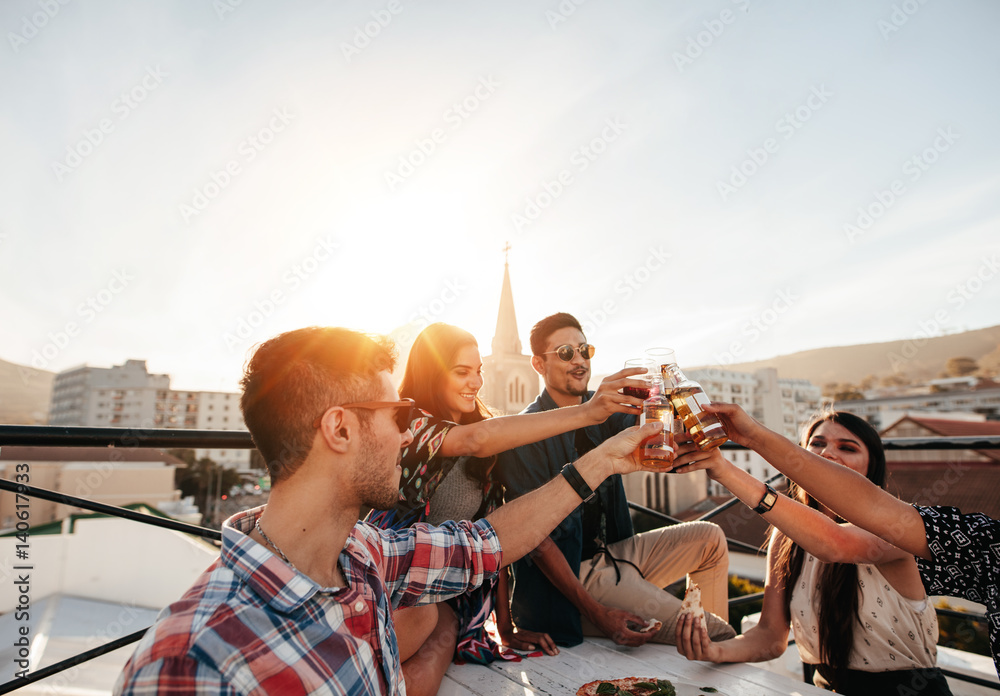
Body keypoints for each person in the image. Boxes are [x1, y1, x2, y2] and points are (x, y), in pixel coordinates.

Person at [114, 326, 664, 696]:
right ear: (341, 428)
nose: (409, 436)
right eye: (400, 416)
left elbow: (488, 542)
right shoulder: (186, 662)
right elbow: (475, 455)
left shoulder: (368, 558)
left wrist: (604, 460)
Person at [366, 323, 646, 693]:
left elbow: (495, 536)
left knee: (436, 649)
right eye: (462, 372)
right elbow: (478, 440)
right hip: (389, 576)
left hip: (448, 593)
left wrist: (507, 626)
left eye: (478, 370)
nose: (475, 382)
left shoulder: (486, 432)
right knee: (392, 645)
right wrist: (588, 413)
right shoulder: (410, 424)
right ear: (433, 374)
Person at [687, 401, 1000, 681]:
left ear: (870, 468)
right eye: (817, 443)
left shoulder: (895, 535)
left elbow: (833, 542)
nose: (827, 453)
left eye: (847, 447)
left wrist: (725, 468)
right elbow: (770, 636)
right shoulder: (785, 537)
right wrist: (716, 652)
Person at [496, 312, 736, 649]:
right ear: (538, 364)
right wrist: (597, 613)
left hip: (618, 555)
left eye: (584, 350)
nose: (579, 360)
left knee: (710, 539)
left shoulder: (604, 409)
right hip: (576, 575)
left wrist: (679, 404)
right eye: (566, 353)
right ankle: (707, 648)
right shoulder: (525, 432)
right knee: (715, 633)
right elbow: (535, 541)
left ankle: (696, 655)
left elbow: (657, 428)